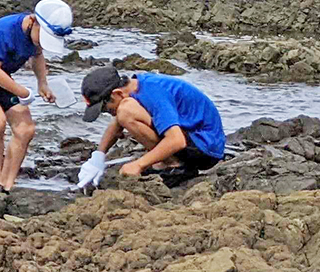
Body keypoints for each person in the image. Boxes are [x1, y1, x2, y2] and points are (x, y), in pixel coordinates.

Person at [0, 0, 74, 192]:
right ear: (32, 20)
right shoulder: (7, 30)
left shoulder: (35, 37)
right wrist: (22, 91)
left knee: (26, 129)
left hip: (3, 78)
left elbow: (37, 55)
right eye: (44, 37)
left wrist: (42, 84)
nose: (42, 43)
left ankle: (7, 183)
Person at [80, 65, 227, 187]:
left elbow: (177, 140)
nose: (109, 113)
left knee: (125, 111)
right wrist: (97, 157)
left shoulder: (153, 93)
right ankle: (169, 160)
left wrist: (139, 164)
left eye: (106, 109)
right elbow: (116, 124)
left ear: (117, 93)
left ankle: (175, 166)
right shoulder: (136, 86)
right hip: (195, 138)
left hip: (206, 148)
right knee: (124, 112)